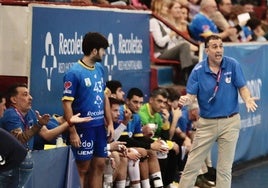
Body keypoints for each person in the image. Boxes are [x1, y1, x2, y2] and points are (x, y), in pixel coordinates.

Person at [177, 35, 258, 188]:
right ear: (207, 50)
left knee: (224, 169)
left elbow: (242, 87)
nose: (219, 50)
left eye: (221, 46)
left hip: (230, 122)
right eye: (214, 46)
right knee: (191, 166)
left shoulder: (232, 65)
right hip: (206, 124)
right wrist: (185, 100)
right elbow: (191, 95)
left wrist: (247, 99)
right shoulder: (198, 70)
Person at [62, 32, 114, 188]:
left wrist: (109, 123)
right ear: (94, 51)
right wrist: (72, 132)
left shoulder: (99, 69)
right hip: (83, 128)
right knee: (82, 169)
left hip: (99, 127)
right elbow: (66, 104)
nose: (104, 53)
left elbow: (104, 96)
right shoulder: (73, 73)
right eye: (103, 50)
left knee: (99, 165)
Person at [138, 87, 180, 188]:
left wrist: (166, 122)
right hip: (143, 142)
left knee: (174, 147)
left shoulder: (158, 115)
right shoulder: (142, 113)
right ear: (151, 100)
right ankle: (157, 184)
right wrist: (167, 143)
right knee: (164, 147)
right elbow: (144, 137)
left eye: (164, 102)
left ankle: (168, 182)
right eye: (159, 101)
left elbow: (166, 137)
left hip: (155, 141)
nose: (162, 105)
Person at [150, 0, 198, 84]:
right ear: (158, 7)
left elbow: (174, 41)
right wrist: (171, 35)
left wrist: (175, 36)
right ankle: (185, 77)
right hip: (161, 53)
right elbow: (160, 43)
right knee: (184, 45)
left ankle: (192, 78)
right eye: (165, 7)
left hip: (171, 50)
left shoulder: (165, 21)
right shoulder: (154, 21)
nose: (167, 9)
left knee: (197, 59)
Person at [0, 93, 27, 173]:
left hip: (16, 162)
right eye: (3, 105)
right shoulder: (10, 115)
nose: (5, 108)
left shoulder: (31, 113)